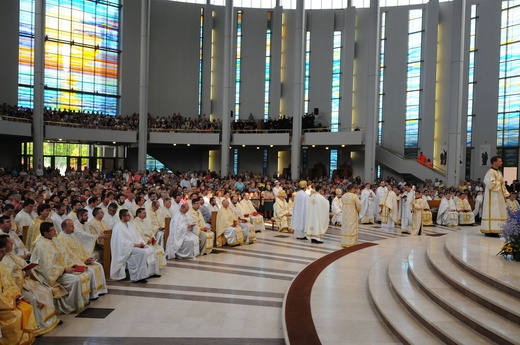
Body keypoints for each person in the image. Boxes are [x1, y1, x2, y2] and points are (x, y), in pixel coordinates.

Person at [31, 222, 91, 314]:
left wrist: (73, 264)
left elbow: (65, 254)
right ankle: (72, 306)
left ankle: (82, 301)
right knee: (75, 280)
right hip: (52, 276)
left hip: (62, 269)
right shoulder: (42, 245)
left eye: (54, 229)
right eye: (52, 230)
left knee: (85, 273)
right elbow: (47, 267)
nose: (55, 231)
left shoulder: (54, 240)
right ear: (45, 233)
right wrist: (64, 270)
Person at [0, 235, 38, 345]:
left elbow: (10, 284)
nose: (3, 255)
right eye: (1, 252)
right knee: (18, 314)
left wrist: (15, 296)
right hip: (4, 305)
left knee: (27, 307)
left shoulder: (1, 264)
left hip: (7, 301)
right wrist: (11, 301)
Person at [58, 219, 108, 301]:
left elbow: (81, 248)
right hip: (75, 263)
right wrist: (82, 262)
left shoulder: (72, 235)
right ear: (64, 228)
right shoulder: (61, 239)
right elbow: (68, 255)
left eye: (73, 225)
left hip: (82, 260)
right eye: (71, 226)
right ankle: (92, 294)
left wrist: (87, 257)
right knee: (91, 271)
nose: (73, 228)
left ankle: (100, 290)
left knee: (98, 265)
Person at [110, 209, 160, 283]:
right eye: (127, 215)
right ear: (123, 217)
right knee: (142, 253)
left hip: (133, 246)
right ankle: (139, 277)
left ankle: (151, 272)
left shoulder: (129, 224)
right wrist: (136, 245)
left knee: (151, 249)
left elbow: (137, 236)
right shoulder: (118, 227)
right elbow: (122, 243)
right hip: (125, 250)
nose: (130, 216)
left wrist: (141, 243)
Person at [481, 156, 510, 236]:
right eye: (500, 161)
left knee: (499, 211)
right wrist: (499, 183)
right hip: (492, 196)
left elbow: (502, 183)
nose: (501, 163)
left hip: (499, 196)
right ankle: (490, 230)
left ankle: (497, 229)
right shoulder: (490, 172)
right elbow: (490, 184)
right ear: (494, 162)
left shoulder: (499, 172)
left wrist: (505, 193)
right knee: (493, 211)